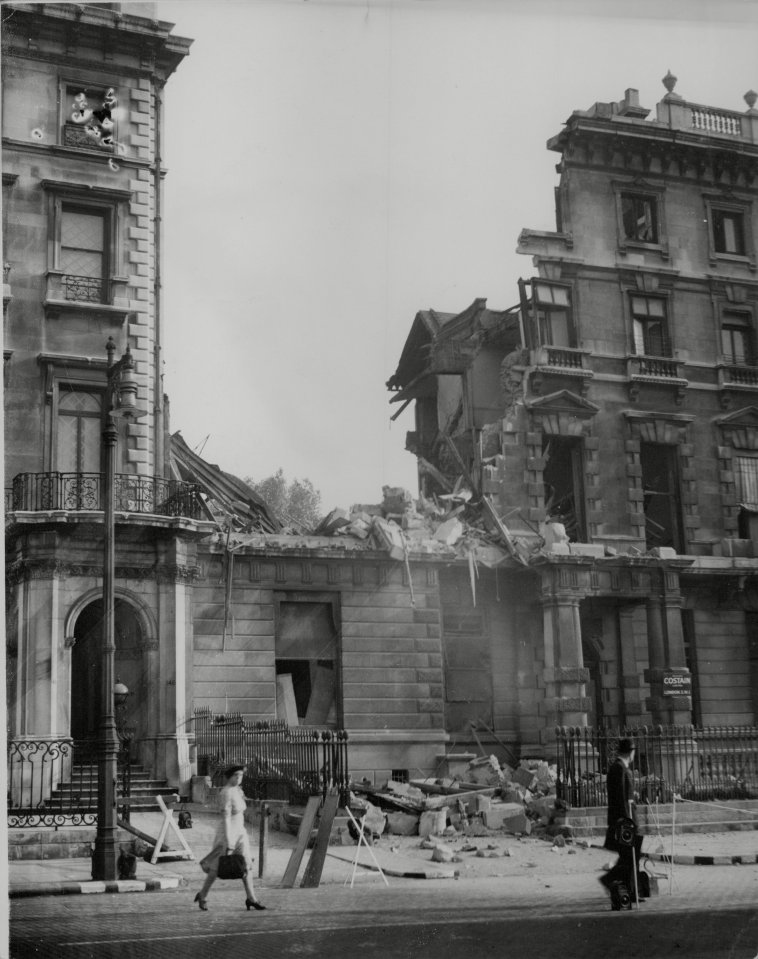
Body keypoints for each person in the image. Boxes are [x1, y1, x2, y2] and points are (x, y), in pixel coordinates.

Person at [194, 765, 266, 912]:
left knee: (247, 865)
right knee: (216, 867)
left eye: (241, 775)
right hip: (228, 833)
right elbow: (226, 817)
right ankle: (202, 895)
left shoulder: (238, 791)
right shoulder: (226, 792)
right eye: (236, 775)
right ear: (229, 777)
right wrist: (229, 840)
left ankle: (251, 898)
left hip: (240, 832)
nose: (239, 778)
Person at [599, 737, 643, 903]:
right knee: (630, 856)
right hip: (625, 821)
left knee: (630, 857)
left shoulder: (620, 768)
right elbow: (622, 800)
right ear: (631, 753)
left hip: (625, 819)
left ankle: (632, 891)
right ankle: (614, 883)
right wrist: (628, 824)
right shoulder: (620, 769)